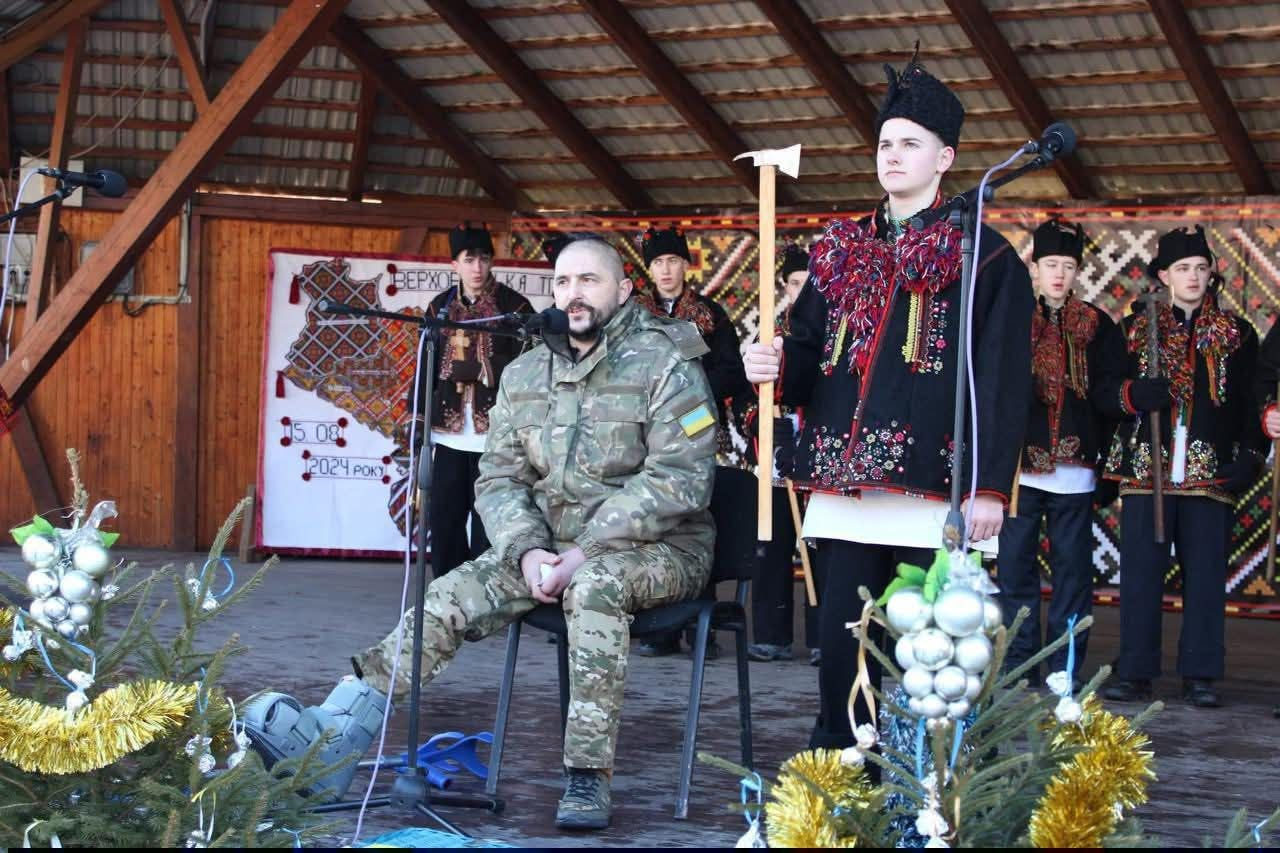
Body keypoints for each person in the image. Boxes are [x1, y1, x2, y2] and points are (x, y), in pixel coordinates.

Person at [251, 237, 719, 831]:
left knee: (594, 586)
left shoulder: (668, 362)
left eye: (590, 281)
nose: (574, 294)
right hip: (545, 547)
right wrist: (525, 550)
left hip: (657, 549)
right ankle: (332, 737)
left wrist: (583, 551)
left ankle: (586, 777)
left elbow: (682, 480)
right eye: (565, 281)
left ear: (624, 290)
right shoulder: (525, 371)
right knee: (447, 597)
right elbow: (498, 476)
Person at [741, 54, 1034, 750]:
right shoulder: (839, 249)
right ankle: (840, 784)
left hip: (935, 491)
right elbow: (808, 358)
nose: (893, 155)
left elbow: (1001, 378)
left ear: (945, 157)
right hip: (845, 490)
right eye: (884, 143)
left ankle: (929, 803)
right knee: (842, 658)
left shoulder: (986, 258)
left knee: (932, 663)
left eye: (909, 143)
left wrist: (990, 485)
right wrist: (772, 366)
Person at [1101, 225, 1264, 708]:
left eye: (1201, 268)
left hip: (1209, 475)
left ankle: (1200, 674)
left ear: (1212, 274)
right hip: (1144, 474)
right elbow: (1103, 391)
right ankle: (1135, 671)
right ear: (1163, 276)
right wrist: (1132, 395)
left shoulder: (1238, 335)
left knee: (1207, 575)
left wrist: (1251, 456)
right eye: (1183, 269)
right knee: (1141, 575)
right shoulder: (1134, 330)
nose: (1193, 276)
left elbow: (1254, 402)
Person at [996, 219, 1125, 688]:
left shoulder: (1096, 324)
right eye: (1051, 264)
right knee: (1015, 571)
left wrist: (1130, 396)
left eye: (1068, 266)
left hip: (1075, 474)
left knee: (1073, 575)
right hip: (1018, 472)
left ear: (1077, 273)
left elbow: (1110, 391)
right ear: (1033, 267)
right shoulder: (1010, 322)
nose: (1059, 274)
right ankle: (1018, 660)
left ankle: (1063, 667)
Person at [631, 224, 753, 658]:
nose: (666, 269)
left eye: (672, 261)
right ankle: (657, 627)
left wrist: (690, 406)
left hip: (696, 429)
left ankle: (700, 625)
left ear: (686, 264)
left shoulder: (708, 314)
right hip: (645, 433)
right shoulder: (633, 313)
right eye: (658, 262)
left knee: (698, 520)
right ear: (650, 269)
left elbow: (731, 372)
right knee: (653, 520)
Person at [425, 224, 533, 577]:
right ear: (454, 264)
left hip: (495, 437)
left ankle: (487, 594)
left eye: (483, 259)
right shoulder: (439, 308)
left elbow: (532, 365)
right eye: (469, 260)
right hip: (449, 435)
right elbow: (423, 369)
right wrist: (417, 423)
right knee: (444, 519)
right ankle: (446, 592)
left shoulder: (514, 307)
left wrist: (482, 368)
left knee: (489, 522)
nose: (477, 268)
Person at [749, 242, 823, 666]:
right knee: (771, 545)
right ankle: (771, 636)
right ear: (785, 286)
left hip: (816, 458)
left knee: (819, 548)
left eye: (809, 283)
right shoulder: (767, 333)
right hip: (775, 458)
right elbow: (745, 397)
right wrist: (762, 425)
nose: (803, 290)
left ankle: (821, 637)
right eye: (796, 283)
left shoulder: (830, 335)